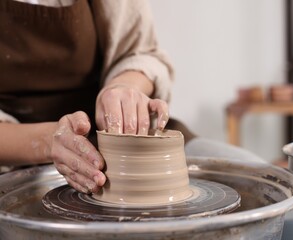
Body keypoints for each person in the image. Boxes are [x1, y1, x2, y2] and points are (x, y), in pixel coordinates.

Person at [0, 0, 173, 193]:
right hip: (12, 152)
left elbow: (141, 53)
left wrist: (122, 86)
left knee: (209, 152)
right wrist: (47, 142)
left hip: (109, 133)